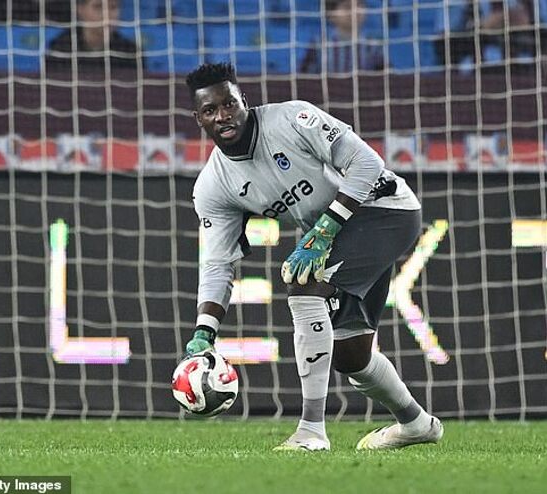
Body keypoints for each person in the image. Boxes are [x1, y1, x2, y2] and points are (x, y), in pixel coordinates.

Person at [183, 62, 443, 451]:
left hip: (385, 210)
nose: (222, 116)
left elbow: (367, 163)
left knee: (303, 284)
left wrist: (323, 232)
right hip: (342, 234)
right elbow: (218, 264)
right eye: (210, 110)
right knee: (351, 355)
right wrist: (204, 332)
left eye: (229, 104)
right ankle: (417, 424)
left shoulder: (292, 118)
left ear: (244, 102)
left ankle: (310, 431)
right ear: (199, 119)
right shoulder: (213, 186)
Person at [46, 0, 137, 74]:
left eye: (113, 7)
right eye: (98, 7)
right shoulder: (61, 48)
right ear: (80, 9)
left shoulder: (130, 51)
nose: (107, 15)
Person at [300, 0, 384, 74]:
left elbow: (383, 78)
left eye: (359, 5)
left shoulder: (373, 45)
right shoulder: (320, 44)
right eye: (347, 7)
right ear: (331, 15)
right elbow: (306, 77)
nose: (355, 11)